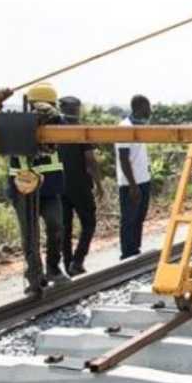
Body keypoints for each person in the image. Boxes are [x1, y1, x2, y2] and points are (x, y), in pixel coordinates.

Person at [0, 82, 69, 295]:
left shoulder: (57, 122)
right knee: (30, 236)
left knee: (56, 227)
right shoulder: (14, 123)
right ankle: (34, 277)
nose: (44, 110)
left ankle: (53, 268)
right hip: (23, 188)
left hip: (50, 188)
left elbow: (65, 127)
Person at [58, 96, 104, 275]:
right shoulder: (80, 130)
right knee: (89, 223)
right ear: (76, 109)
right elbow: (90, 160)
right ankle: (77, 261)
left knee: (65, 227)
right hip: (80, 186)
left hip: (59, 186)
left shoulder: (54, 129)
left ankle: (68, 263)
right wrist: (99, 184)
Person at [116, 94, 152, 259]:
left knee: (139, 217)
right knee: (129, 219)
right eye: (147, 107)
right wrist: (132, 185)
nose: (149, 111)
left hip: (144, 180)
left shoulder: (140, 127)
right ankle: (127, 253)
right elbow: (123, 158)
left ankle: (135, 250)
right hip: (131, 183)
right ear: (139, 107)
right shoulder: (125, 127)